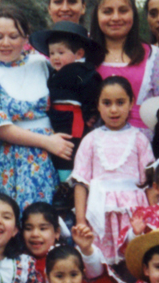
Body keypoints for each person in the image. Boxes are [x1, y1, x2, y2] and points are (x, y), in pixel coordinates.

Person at [0, 7, 70, 209]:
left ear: (26, 38)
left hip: (54, 156)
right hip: (12, 158)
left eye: (14, 36)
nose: (6, 43)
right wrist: (46, 142)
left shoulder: (41, 64)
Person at [70, 76, 155, 265]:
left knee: (134, 261)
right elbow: (81, 183)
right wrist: (81, 220)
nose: (114, 109)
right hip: (101, 212)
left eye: (120, 102)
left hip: (133, 215)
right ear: (98, 105)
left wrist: (154, 218)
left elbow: (150, 184)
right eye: (107, 103)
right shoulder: (90, 140)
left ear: (131, 103)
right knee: (101, 263)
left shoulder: (140, 139)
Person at [30, 21, 105, 188]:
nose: (55, 57)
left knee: (69, 150)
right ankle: (63, 184)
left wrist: (90, 113)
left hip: (73, 122)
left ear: (78, 54)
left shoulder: (84, 73)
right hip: (57, 120)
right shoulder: (54, 73)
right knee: (59, 151)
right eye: (52, 53)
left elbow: (92, 95)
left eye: (61, 52)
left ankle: (69, 185)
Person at [89, 0, 159, 133]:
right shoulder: (86, 57)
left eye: (123, 10)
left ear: (134, 14)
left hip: (144, 145)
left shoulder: (155, 57)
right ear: (97, 16)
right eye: (107, 11)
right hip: (97, 144)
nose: (116, 17)